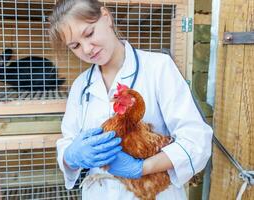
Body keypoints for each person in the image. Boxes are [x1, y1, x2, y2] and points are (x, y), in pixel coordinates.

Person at [49, 0, 213, 199]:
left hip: (153, 191)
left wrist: (143, 167)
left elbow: (196, 139)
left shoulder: (158, 68)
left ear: (106, 17)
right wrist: (71, 156)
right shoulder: (80, 86)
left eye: (89, 34)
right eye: (75, 46)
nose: (87, 49)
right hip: (99, 192)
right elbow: (67, 142)